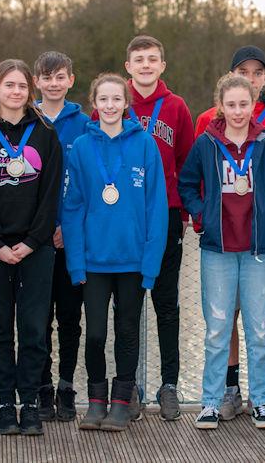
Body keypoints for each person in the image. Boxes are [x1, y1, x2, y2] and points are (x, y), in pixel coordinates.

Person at [179, 73, 265, 430]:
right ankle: (210, 401)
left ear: (253, 104)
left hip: (257, 249)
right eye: (231, 104)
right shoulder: (207, 142)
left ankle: (262, 401)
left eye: (244, 104)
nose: (238, 111)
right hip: (218, 247)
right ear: (220, 106)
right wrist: (201, 215)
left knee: (258, 330)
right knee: (217, 329)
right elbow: (187, 183)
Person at [63, 73, 168, 432]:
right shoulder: (81, 147)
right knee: (94, 334)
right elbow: (73, 209)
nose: (110, 106)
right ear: (95, 103)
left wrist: (151, 264)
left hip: (133, 262)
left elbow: (157, 208)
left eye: (116, 99)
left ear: (126, 104)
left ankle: (122, 400)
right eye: (103, 99)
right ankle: (95, 400)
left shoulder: (145, 146)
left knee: (126, 331)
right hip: (93, 261)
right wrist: (75, 262)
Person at [0, 59, 62, 436]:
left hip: (36, 248)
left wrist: (31, 241)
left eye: (22, 85)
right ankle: (6, 403)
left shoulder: (45, 133)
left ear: (29, 90)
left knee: (35, 329)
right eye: (9, 85)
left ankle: (32, 403)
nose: (17, 91)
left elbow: (49, 193)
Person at [110, 34, 194, 420]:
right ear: (128, 66)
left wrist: (188, 212)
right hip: (122, 220)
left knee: (166, 304)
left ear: (162, 66)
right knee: (127, 307)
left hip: (165, 219)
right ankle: (128, 387)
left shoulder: (176, 108)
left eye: (152, 59)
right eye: (138, 59)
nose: (145, 65)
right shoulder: (112, 102)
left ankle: (169, 384)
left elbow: (186, 162)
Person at [33, 51, 90, 422]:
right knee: (37, 319)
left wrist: (69, 229)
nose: (53, 83)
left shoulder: (85, 124)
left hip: (71, 239)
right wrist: (39, 229)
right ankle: (41, 387)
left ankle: (67, 386)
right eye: (46, 77)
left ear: (71, 80)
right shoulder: (25, 120)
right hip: (34, 239)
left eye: (60, 77)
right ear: (36, 82)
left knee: (70, 318)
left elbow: (90, 182)